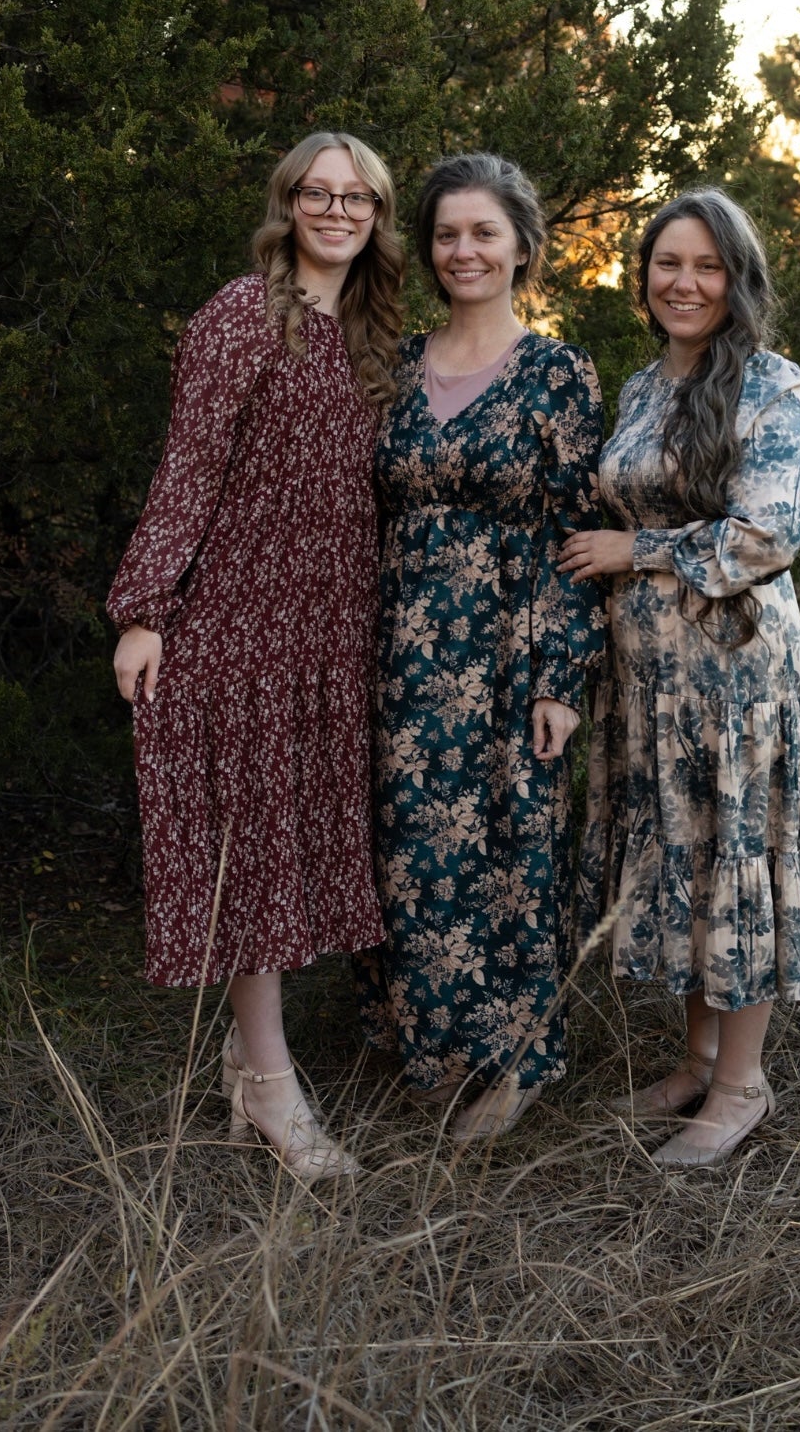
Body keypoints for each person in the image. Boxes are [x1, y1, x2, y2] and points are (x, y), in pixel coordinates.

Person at [108, 131, 404, 1185]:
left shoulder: (377, 330)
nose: (336, 211)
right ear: (287, 206)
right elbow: (188, 466)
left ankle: (249, 1059)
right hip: (236, 620)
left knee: (293, 835)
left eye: (355, 196)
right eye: (316, 194)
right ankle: (275, 1087)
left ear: (376, 212)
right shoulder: (243, 315)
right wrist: (146, 608)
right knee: (254, 846)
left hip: (328, 627)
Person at [559, 187, 800, 1168]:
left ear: (736, 279)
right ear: (643, 276)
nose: (684, 281)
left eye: (706, 265)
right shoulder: (641, 388)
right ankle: (698, 1054)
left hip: (736, 680)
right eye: (667, 262)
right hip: (652, 682)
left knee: (734, 868)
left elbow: (770, 531)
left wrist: (638, 550)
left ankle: (741, 1084)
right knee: (685, 860)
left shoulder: (771, 384)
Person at [356, 153, 606, 1140]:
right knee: (411, 852)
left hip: (508, 651)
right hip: (400, 648)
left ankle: (516, 1062)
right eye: (448, 234)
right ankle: (427, 1046)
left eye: (484, 233)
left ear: (522, 248)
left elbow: (577, 537)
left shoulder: (557, 373)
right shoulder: (393, 366)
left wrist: (561, 679)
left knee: (513, 853)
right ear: (428, 250)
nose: (465, 250)